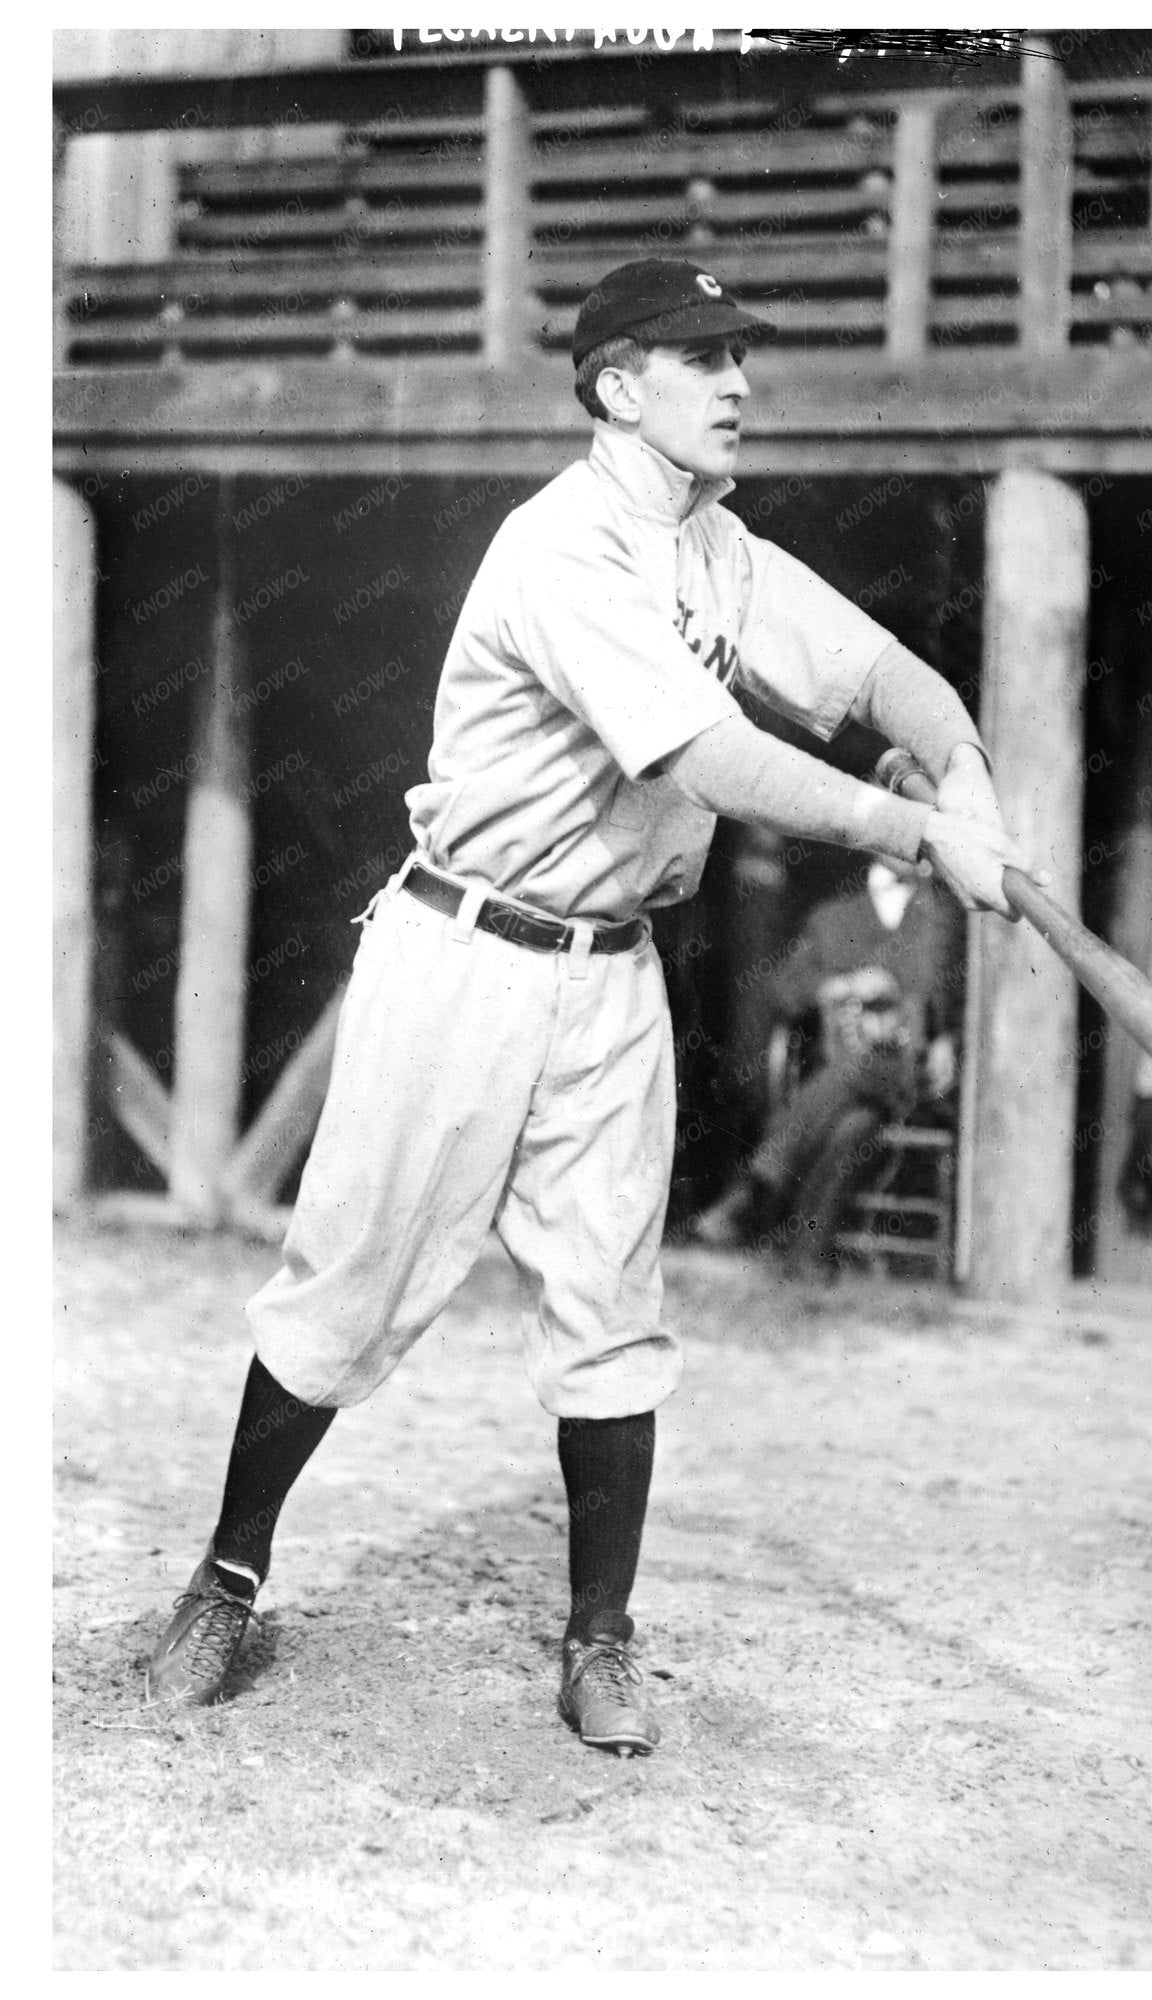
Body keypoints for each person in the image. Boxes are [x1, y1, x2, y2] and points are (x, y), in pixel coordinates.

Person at [144, 259, 1035, 1757]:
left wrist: (967, 782)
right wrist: (908, 837)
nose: (739, 381)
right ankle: (228, 1579)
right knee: (345, 1292)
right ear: (619, 389)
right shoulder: (558, 547)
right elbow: (713, 762)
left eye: (742, 353)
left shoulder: (722, 550)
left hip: (610, 970)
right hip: (463, 957)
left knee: (614, 1312)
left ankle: (601, 1637)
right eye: (703, 360)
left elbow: (887, 675)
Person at [693, 860, 963, 1256]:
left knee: (850, 1076)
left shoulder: (939, 917)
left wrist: (950, 1039)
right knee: (851, 1126)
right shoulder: (833, 918)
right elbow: (785, 989)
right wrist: (834, 987)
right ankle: (806, 1260)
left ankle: (754, 1187)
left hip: (916, 1076)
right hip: (847, 1086)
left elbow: (964, 999)